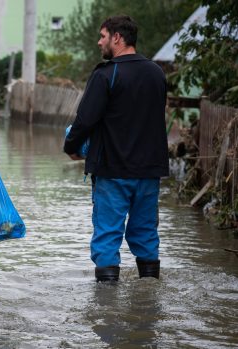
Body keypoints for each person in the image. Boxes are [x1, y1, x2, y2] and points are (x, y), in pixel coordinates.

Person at [63, 16, 168, 282]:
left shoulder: (107, 74)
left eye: (102, 36)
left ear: (117, 38)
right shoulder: (156, 73)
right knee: (146, 233)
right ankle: (148, 297)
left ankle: (107, 309)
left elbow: (86, 119)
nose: (99, 42)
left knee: (108, 235)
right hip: (149, 172)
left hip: (113, 170)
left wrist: (71, 146)